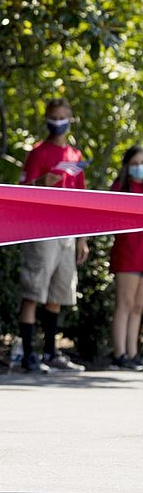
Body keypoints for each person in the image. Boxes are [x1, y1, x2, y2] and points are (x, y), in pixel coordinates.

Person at [16, 98, 89, 374]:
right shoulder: (38, 153)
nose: (57, 122)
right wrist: (39, 182)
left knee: (58, 294)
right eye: (53, 117)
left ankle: (50, 352)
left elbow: (83, 200)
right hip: (41, 229)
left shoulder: (75, 156)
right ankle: (28, 354)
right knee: (34, 291)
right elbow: (21, 189)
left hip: (67, 232)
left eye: (62, 117)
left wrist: (82, 239)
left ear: (70, 119)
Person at [108, 145, 143, 371]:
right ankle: (119, 353)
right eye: (135, 163)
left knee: (138, 306)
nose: (139, 168)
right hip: (127, 250)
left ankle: (132, 353)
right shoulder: (121, 186)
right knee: (125, 303)